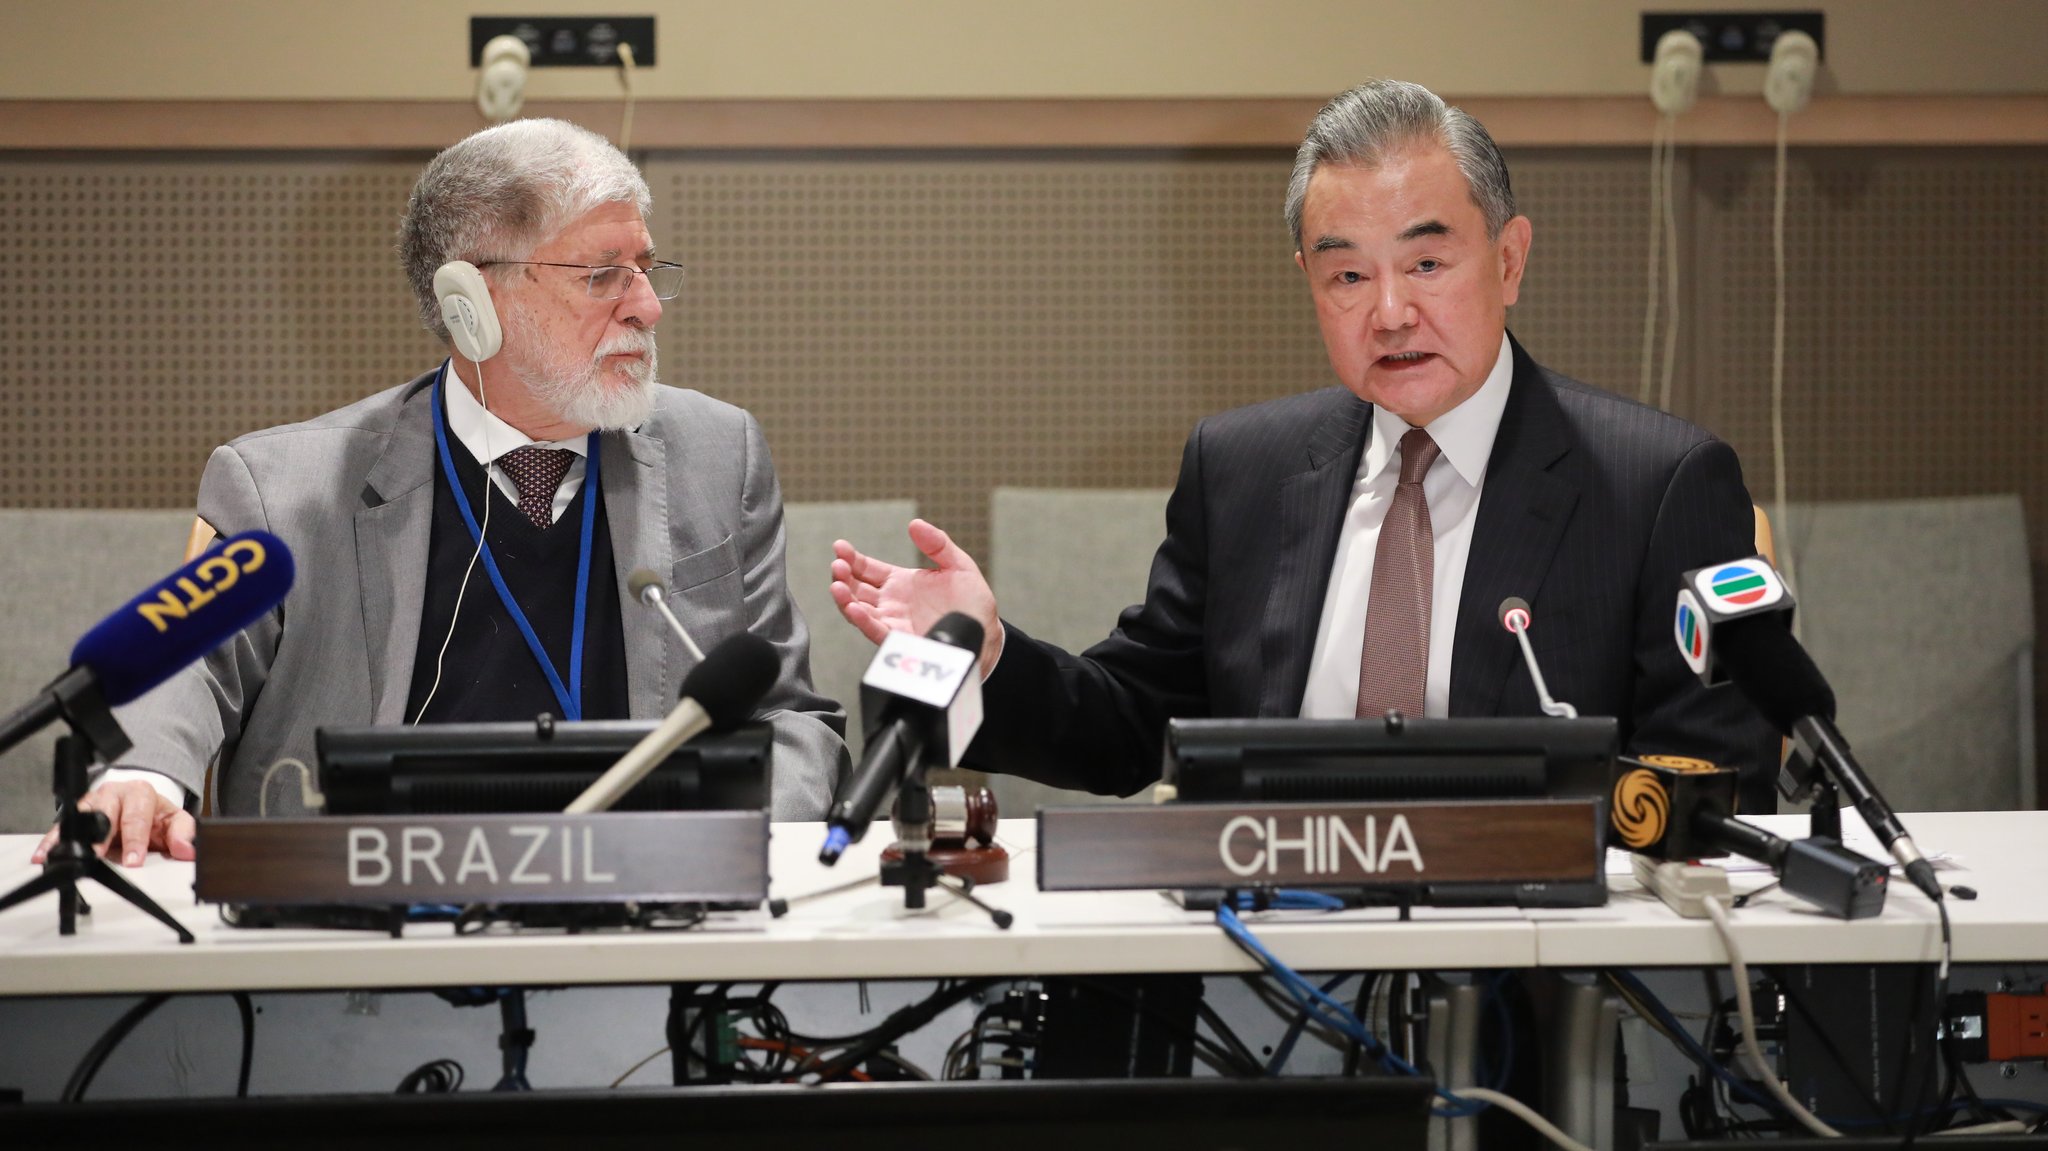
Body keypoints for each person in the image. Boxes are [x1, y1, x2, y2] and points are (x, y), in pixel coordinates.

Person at [832, 80, 1778, 809]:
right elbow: (1132, 728)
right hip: (1267, 980)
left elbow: (1719, 784)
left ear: (1511, 259)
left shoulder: (1656, 485)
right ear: (1308, 284)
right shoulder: (1244, 470)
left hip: (1532, 997)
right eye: (1348, 276)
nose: (1392, 311)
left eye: (1427, 262)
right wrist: (985, 654)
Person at [37, 118, 847, 869]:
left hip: (648, 908)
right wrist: (142, 774)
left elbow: (788, 717)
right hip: (368, 925)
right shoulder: (286, 488)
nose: (645, 305)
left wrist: (758, 842)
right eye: (604, 275)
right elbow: (186, 665)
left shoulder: (717, 453)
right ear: (474, 304)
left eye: (646, 269)